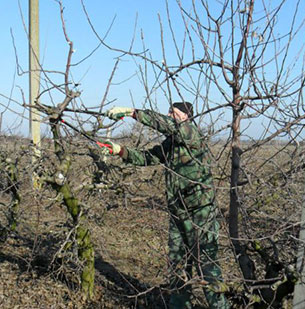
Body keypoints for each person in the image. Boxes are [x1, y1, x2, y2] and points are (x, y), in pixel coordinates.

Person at [98, 103, 229, 309]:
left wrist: (133, 113)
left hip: (201, 212)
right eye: (168, 112)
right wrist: (119, 150)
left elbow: (166, 124)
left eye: (173, 112)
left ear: (186, 116)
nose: (169, 115)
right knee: (177, 266)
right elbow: (148, 157)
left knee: (207, 267)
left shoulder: (190, 133)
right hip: (178, 212)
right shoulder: (171, 143)